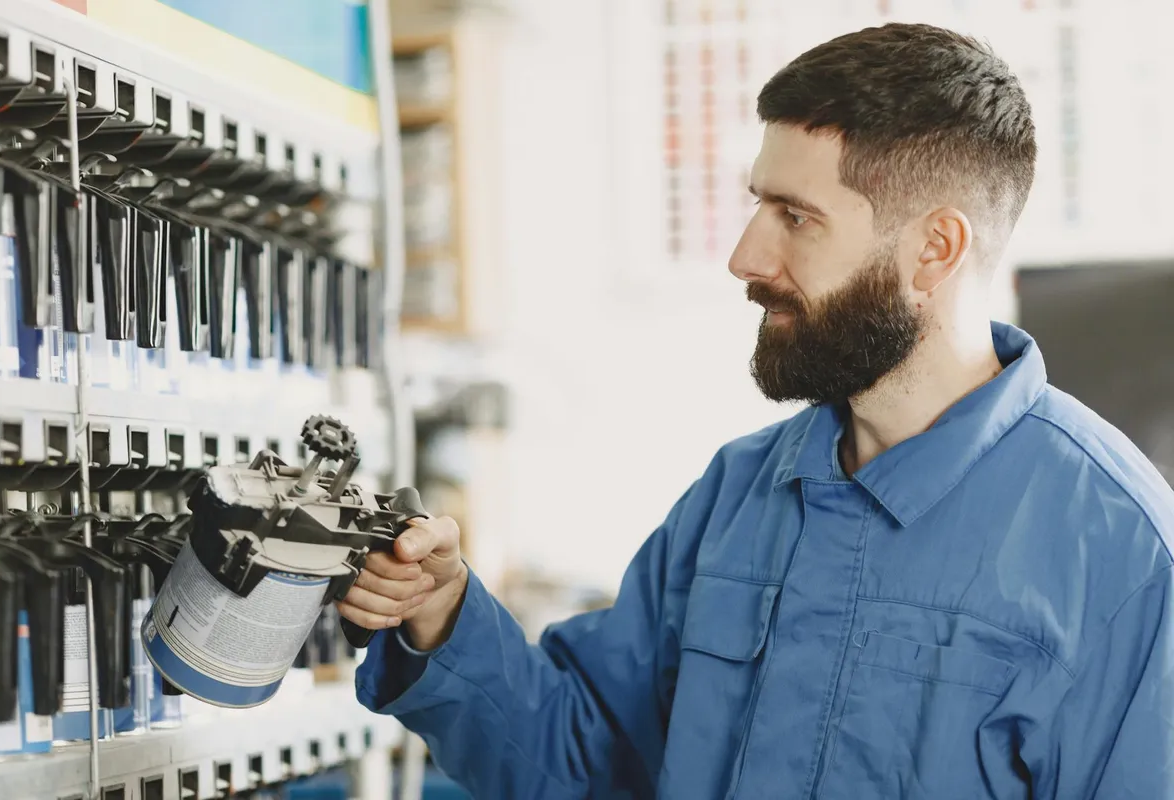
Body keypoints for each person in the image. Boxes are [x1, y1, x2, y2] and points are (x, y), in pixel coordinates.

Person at [342, 22, 1174, 799]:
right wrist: (440, 615)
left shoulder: (1123, 554)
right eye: (757, 205)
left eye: (796, 218)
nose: (747, 256)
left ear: (935, 250)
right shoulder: (739, 492)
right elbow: (580, 759)